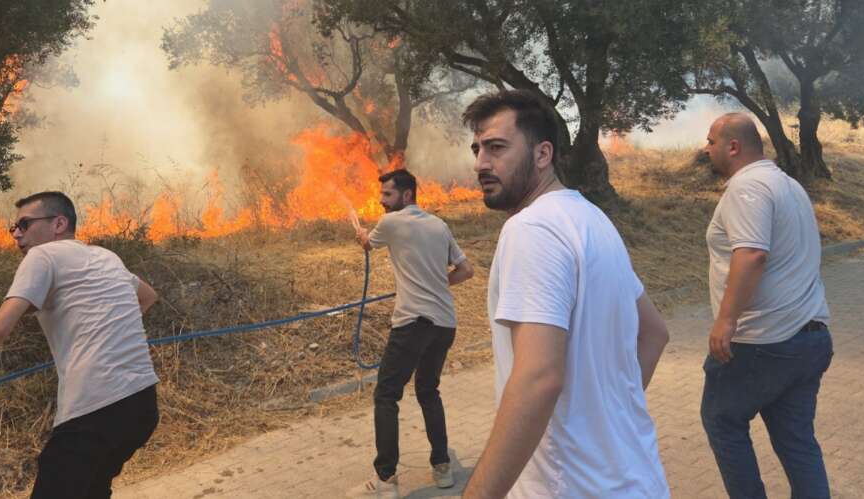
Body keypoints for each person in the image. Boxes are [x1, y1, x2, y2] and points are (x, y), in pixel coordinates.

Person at [460, 90, 670, 499]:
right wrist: (599, 421)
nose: (480, 163)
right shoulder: (591, 219)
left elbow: (538, 379)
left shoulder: (532, 229)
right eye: (477, 149)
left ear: (543, 154)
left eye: (496, 148)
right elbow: (655, 333)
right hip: (636, 481)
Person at [0, 191, 161, 499]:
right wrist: (105, 331)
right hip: (142, 406)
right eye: (14, 228)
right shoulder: (105, 256)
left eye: (25, 224)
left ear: (59, 224)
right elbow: (148, 296)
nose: (17, 234)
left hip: (96, 407)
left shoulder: (43, 255)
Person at [700, 113, 833, 499]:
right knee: (797, 443)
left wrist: (726, 321)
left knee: (721, 420)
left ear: (733, 146)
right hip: (809, 337)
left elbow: (752, 254)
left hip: (763, 342)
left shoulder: (746, 188)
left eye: (711, 141)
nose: (706, 149)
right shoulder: (788, 185)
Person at [348, 169, 476, 498]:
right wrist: (437, 284)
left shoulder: (392, 223)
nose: (381, 200)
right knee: (428, 391)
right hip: (445, 324)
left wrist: (359, 231)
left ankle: (386, 481)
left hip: (413, 324)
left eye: (387, 195)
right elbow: (466, 270)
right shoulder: (439, 225)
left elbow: (367, 244)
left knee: (386, 395)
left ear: (406, 196)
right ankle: (443, 469)